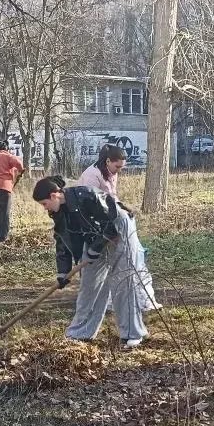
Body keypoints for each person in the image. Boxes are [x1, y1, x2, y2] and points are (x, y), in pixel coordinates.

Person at [32, 176, 149, 348]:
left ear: (53, 195)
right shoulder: (58, 212)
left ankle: (132, 333)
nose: (45, 208)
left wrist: (96, 248)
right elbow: (62, 241)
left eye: (44, 203)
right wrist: (63, 272)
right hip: (95, 237)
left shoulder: (87, 195)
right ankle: (80, 333)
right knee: (89, 284)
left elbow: (110, 223)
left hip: (119, 229)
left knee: (122, 282)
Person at [78, 145, 160, 311]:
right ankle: (101, 300)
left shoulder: (111, 172)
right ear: (108, 161)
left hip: (111, 221)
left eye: (122, 167)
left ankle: (141, 298)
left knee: (131, 258)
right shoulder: (91, 176)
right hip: (93, 226)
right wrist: (108, 230)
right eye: (117, 166)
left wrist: (122, 208)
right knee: (101, 263)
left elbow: (111, 198)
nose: (119, 170)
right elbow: (90, 207)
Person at [0, 141, 24, 243]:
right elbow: (19, 163)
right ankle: (2, 238)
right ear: (7, 149)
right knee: (4, 212)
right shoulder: (8, 156)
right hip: (3, 188)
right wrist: (21, 170)